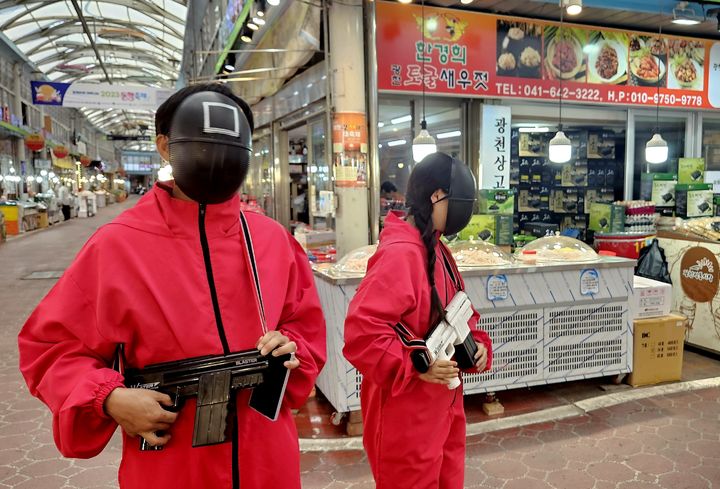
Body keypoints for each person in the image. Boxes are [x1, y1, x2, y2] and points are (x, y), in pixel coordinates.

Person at [18, 83, 326, 489]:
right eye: (200, 143)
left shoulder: (271, 239)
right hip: (171, 466)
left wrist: (291, 350)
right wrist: (107, 397)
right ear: (165, 146)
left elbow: (306, 328)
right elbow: (50, 349)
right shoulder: (118, 244)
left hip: (267, 461)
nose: (216, 157)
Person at [343, 152, 493, 489]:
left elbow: (456, 312)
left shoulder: (437, 248)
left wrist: (478, 346)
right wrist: (418, 364)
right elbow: (361, 334)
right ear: (435, 196)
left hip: (445, 405)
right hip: (406, 415)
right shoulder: (401, 253)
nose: (463, 214)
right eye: (459, 203)